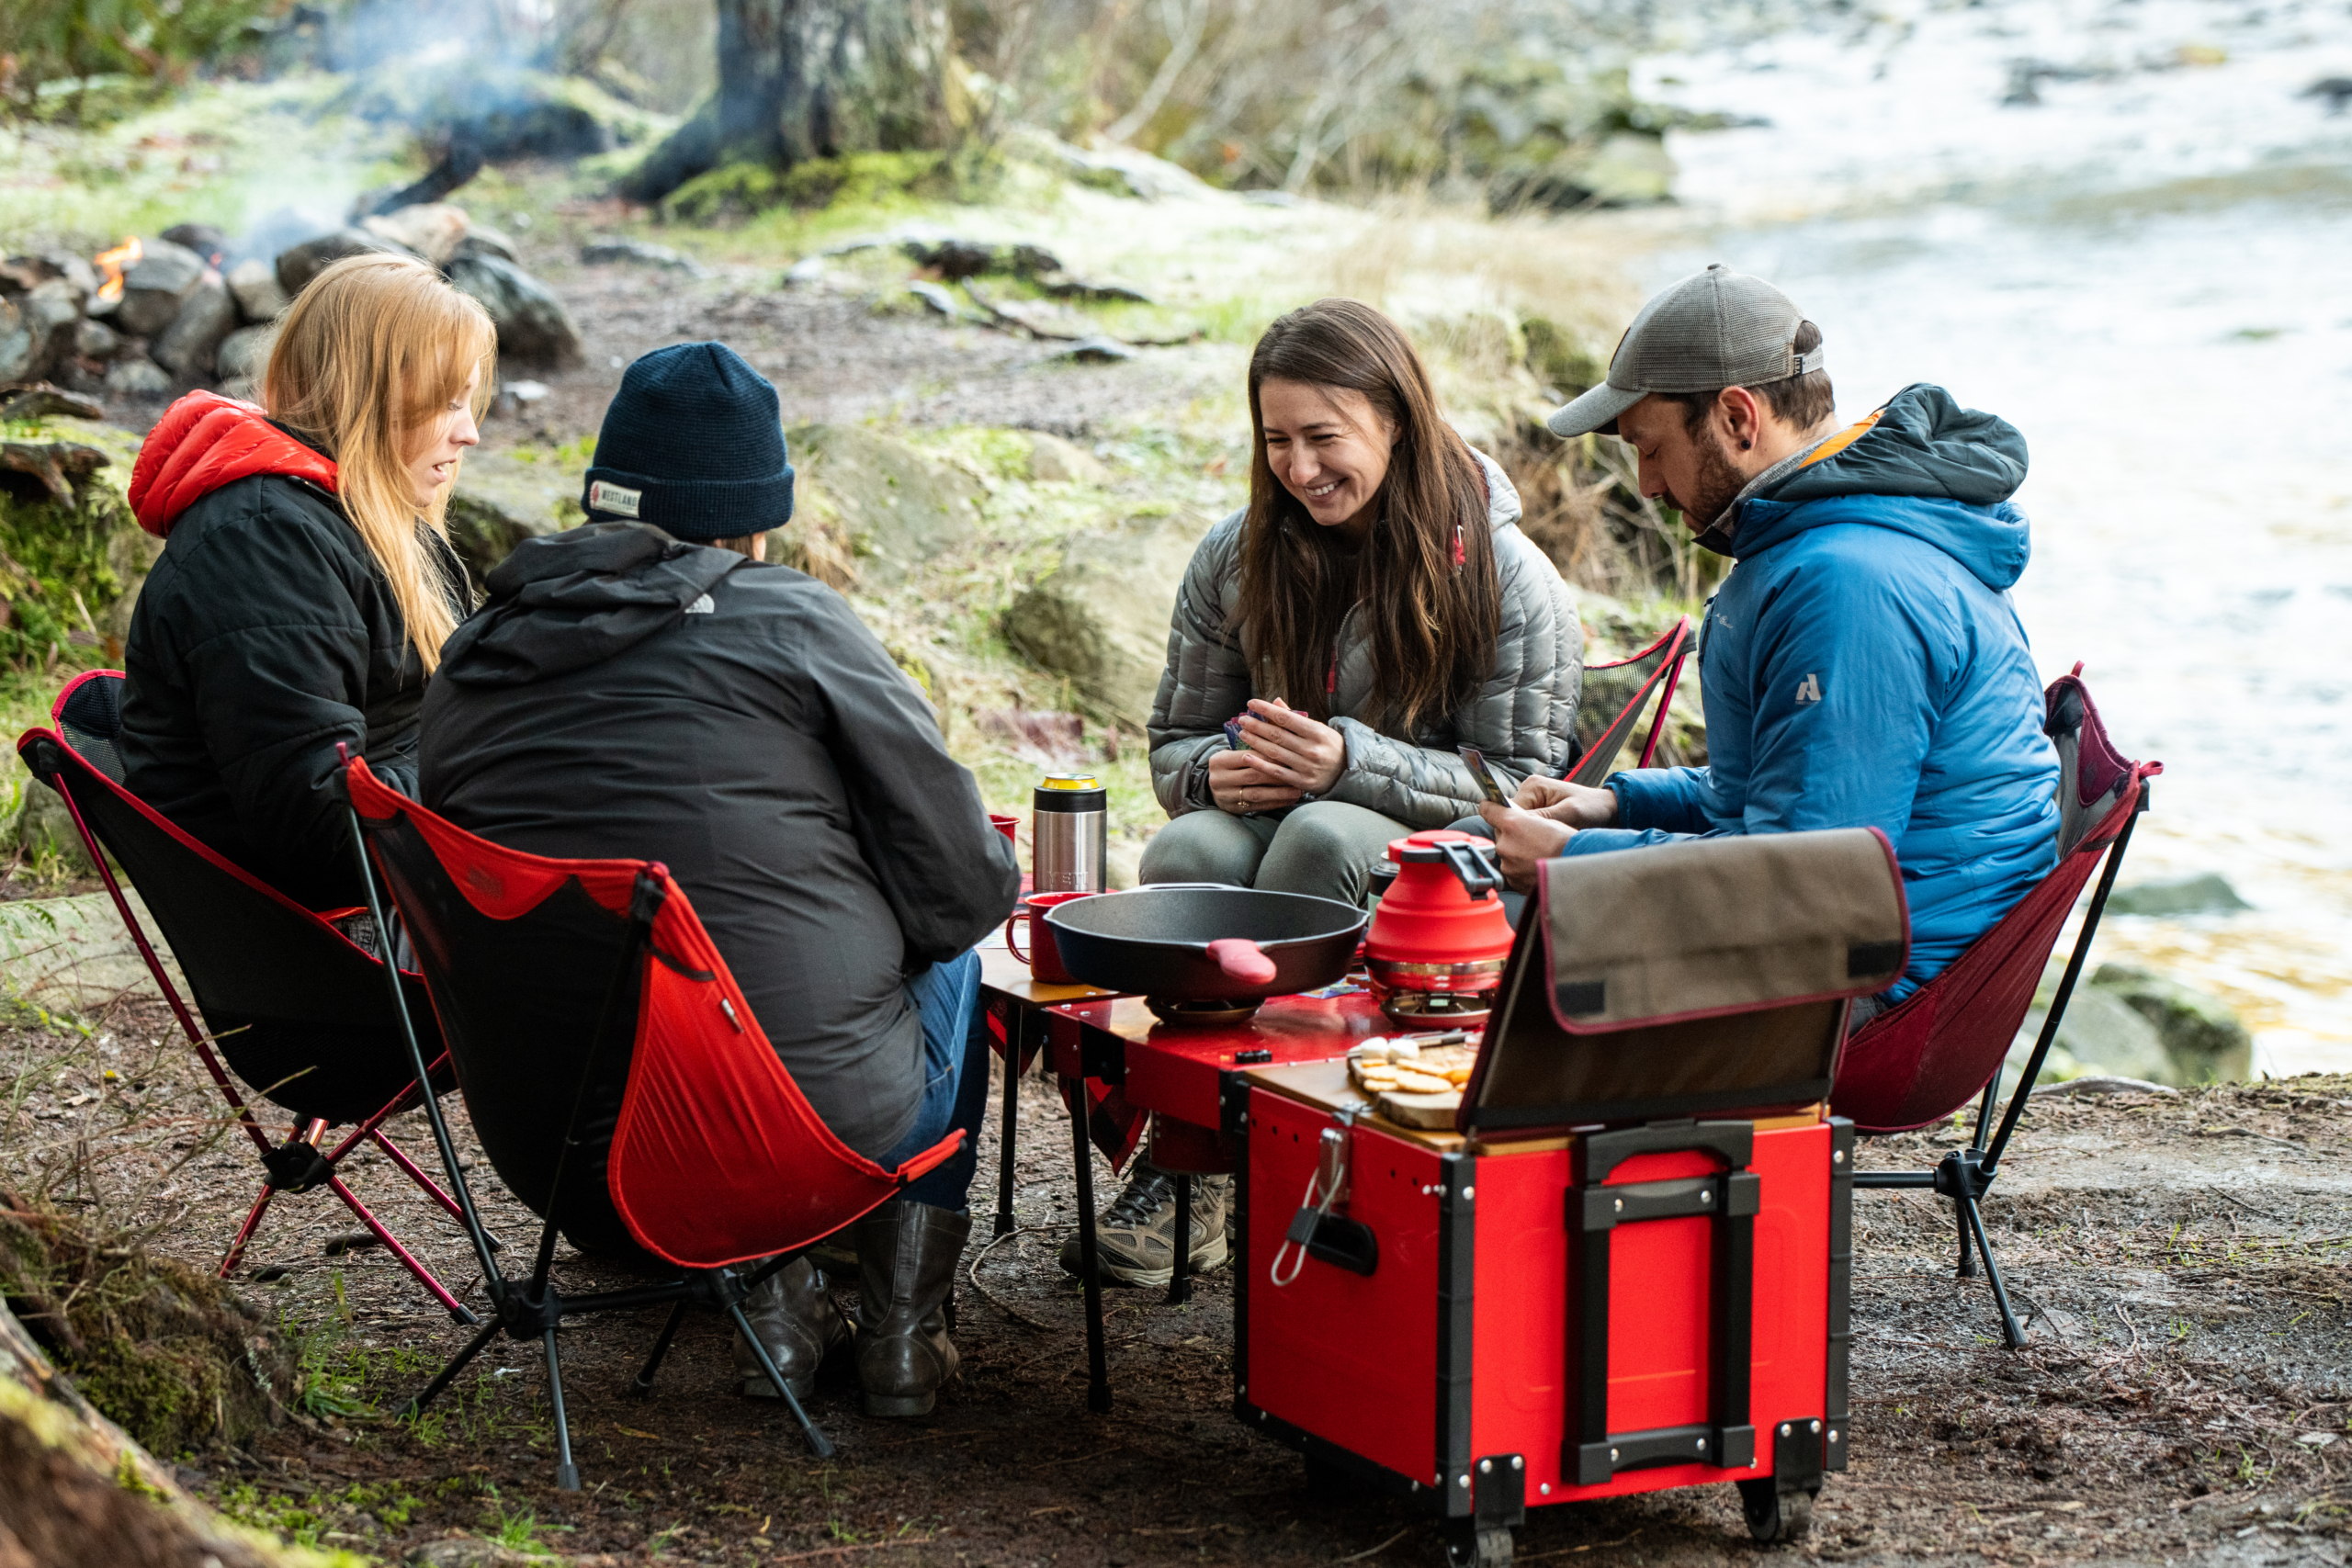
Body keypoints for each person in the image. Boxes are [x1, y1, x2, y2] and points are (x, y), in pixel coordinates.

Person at [417, 342, 1019, 1419]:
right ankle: (900, 1337)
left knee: (706, 970)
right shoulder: (793, 622)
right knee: (947, 962)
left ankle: (781, 1310)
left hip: (552, 1143)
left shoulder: (474, 653)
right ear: (754, 521)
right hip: (785, 1139)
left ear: (602, 499)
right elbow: (965, 890)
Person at [1082, 299, 1579, 1288]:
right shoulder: (1236, 555)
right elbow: (1173, 742)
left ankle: (1248, 1156)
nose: (1299, 470)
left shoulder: (1505, 573)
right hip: (1276, 831)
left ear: (1396, 420)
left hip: (1455, 888)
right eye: (1276, 441)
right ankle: (1196, 1157)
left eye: (1324, 438)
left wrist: (1346, 762)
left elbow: (1519, 791)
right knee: (1186, 858)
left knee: (1322, 832)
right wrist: (1204, 775)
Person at [1476, 265, 2060, 1017]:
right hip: (1856, 939)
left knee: (1498, 916)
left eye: (1650, 449)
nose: (1648, 485)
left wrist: (1572, 862)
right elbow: (1771, 797)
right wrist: (1610, 807)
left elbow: (1808, 884)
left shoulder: (1849, 584)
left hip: (1874, 989)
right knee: (1478, 856)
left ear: (1738, 419)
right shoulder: (1817, 541)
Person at [120, 254, 488, 912]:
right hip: (337, 944)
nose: (471, 432)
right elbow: (324, 832)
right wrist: (500, 759)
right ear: (369, 395)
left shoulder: (351, 513)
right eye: (447, 402)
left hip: (410, 894)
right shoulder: (263, 545)